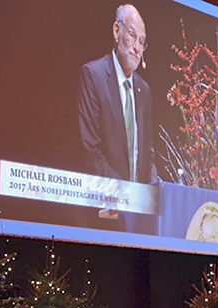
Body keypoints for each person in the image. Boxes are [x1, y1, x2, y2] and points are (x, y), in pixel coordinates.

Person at [78, 4, 155, 183]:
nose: (137, 48)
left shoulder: (144, 91)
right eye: (132, 36)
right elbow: (90, 149)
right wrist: (124, 194)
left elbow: (147, 154)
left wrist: (151, 189)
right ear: (116, 31)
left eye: (142, 42)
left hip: (137, 204)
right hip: (103, 200)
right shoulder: (93, 75)